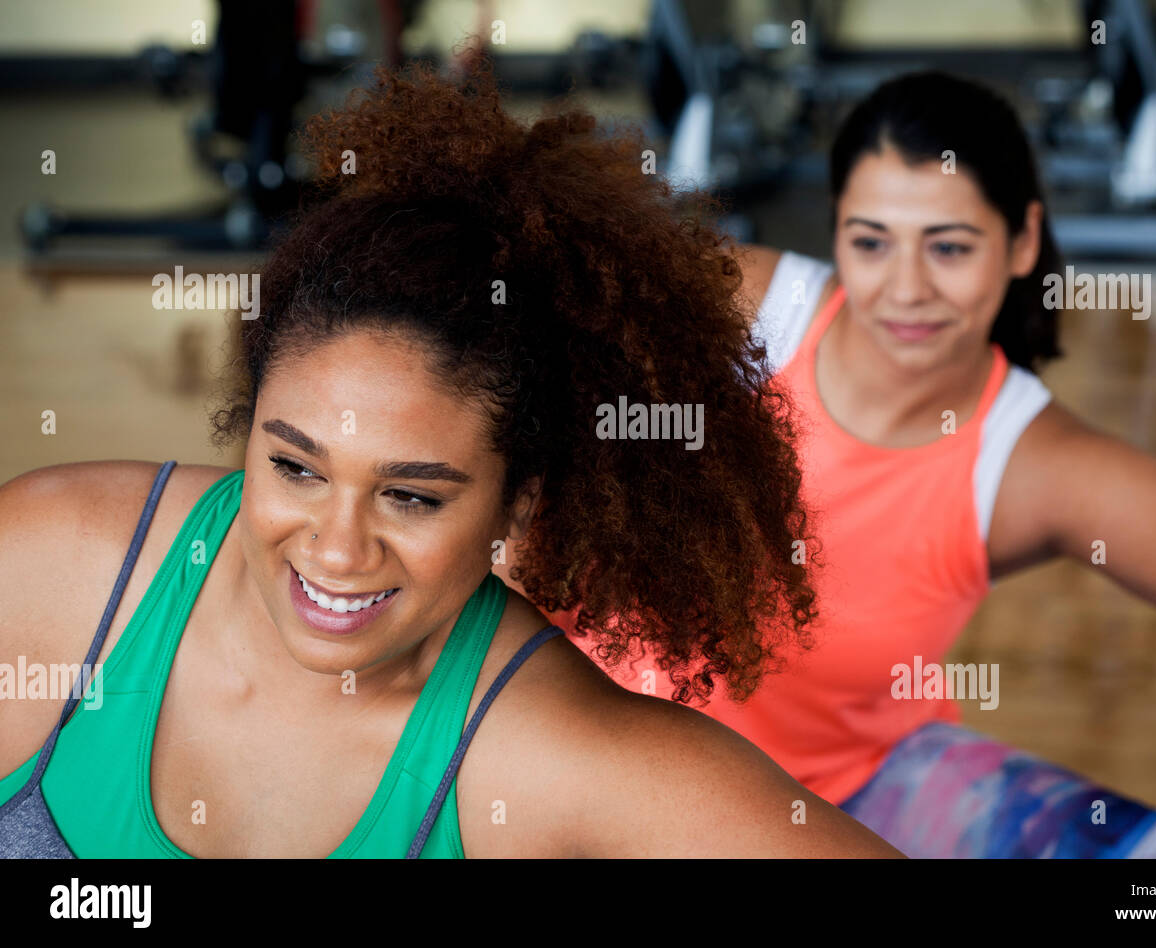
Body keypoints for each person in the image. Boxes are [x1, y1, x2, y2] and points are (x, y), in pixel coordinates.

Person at [0, 57, 901, 859]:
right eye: (296, 468)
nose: (337, 550)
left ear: (517, 508)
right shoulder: (56, 569)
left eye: (411, 498)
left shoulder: (551, 757)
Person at [520, 70, 1156, 858]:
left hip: (849, 788)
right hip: (572, 752)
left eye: (950, 247)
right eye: (871, 241)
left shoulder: (1034, 464)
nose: (905, 289)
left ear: (1022, 241)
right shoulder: (743, 310)